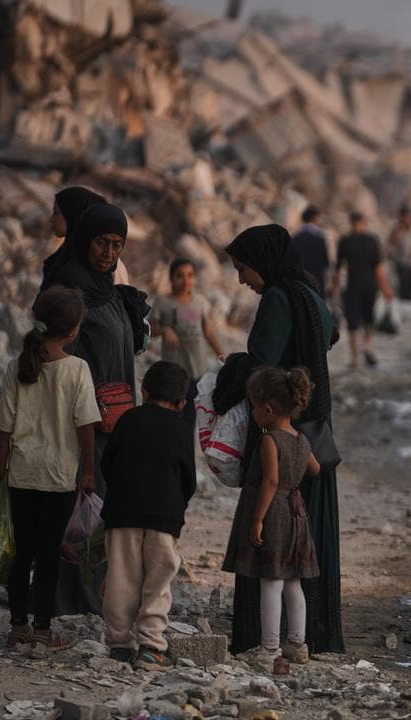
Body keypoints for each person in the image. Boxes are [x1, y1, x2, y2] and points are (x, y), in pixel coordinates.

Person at [224, 224, 343, 654]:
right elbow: (329, 336)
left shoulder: (278, 297)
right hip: (313, 429)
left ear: (264, 262)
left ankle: (265, 640)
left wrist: (231, 367)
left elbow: (262, 361)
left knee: (271, 539)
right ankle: (306, 636)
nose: (242, 279)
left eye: (243, 268)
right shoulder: (310, 293)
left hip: (281, 427)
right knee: (305, 542)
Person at [41, 202, 149, 615]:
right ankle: (68, 598)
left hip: (114, 418)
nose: (109, 252)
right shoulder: (71, 288)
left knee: (101, 505)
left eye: (117, 245)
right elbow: (62, 358)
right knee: (78, 504)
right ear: (85, 239)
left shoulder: (109, 289)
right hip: (84, 418)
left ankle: (92, 595)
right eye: (102, 243)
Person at [0, 286, 99, 651]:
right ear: (72, 331)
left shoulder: (17, 367)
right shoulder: (77, 370)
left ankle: (17, 626)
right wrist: (88, 472)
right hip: (58, 477)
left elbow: (4, 431)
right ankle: (42, 629)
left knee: (21, 552)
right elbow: (87, 429)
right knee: (49, 554)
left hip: (20, 474)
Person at [99, 360, 195, 669]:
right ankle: (151, 645)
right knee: (158, 580)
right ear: (181, 403)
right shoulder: (181, 429)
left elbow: (108, 462)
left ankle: (118, 643)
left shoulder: (128, 419)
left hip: (122, 513)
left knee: (120, 577)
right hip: (163, 517)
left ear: (144, 391)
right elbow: (188, 479)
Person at [223, 366, 320, 668]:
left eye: (253, 407)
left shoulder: (269, 440)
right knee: (293, 581)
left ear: (267, 409)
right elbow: (315, 468)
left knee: (271, 580)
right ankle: (298, 644)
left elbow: (271, 481)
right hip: (297, 512)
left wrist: (257, 520)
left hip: (275, 512)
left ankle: (269, 648)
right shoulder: (301, 439)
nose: (252, 413)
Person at [332, 213, 395, 369]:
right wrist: (385, 289)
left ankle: (355, 358)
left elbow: (338, 269)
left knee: (352, 321)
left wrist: (335, 289)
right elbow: (378, 268)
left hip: (353, 286)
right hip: (369, 286)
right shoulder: (372, 240)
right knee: (368, 319)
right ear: (364, 223)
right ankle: (366, 347)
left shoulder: (345, 241)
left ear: (351, 223)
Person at [152, 258, 226, 379]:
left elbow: (208, 332)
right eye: (180, 276)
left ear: (195, 278)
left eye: (190, 275)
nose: (185, 280)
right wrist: (164, 330)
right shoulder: (162, 302)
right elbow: (150, 329)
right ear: (171, 278)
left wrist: (223, 356)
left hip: (198, 367)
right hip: (173, 368)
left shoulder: (200, 301)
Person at [292, 206, 330, 294]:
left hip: (300, 280)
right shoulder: (319, 237)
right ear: (315, 218)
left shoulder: (296, 237)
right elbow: (325, 262)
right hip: (316, 279)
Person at [385, 206, 411, 301]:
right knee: (402, 289)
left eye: (410, 217)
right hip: (401, 263)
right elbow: (390, 244)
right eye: (407, 217)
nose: (409, 219)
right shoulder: (397, 229)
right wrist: (399, 230)